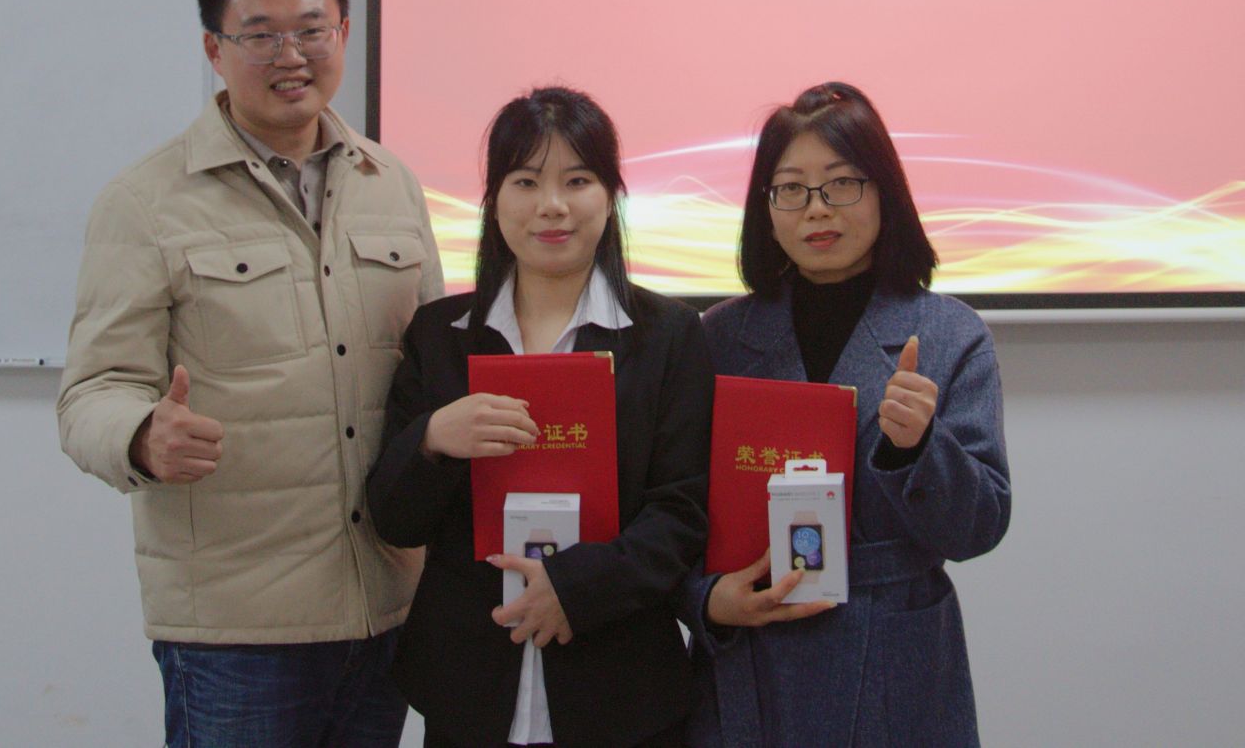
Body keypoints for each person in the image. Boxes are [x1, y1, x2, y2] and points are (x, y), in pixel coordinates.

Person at [57, 0, 444, 748]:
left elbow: (432, 375)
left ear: (343, 32)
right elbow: (91, 392)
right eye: (261, 36)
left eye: (311, 30)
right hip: (237, 628)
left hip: (385, 606)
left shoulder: (392, 185)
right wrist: (141, 434)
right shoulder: (146, 203)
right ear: (215, 50)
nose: (290, 56)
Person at [367, 87, 715, 748]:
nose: (551, 205)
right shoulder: (440, 335)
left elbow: (682, 512)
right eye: (525, 181)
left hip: (620, 684)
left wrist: (577, 590)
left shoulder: (668, 335)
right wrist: (433, 440)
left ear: (610, 196)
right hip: (469, 684)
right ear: (494, 199)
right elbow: (394, 519)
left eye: (577, 181)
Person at [687, 81, 1010, 748]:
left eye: (841, 184)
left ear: (884, 191)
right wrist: (704, 600)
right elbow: (671, 509)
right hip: (753, 652)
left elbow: (979, 528)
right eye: (792, 189)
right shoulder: (717, 338)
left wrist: (918, 448)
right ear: (765, 207)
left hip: (891, 651)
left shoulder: (949, 334)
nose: (817, 208)